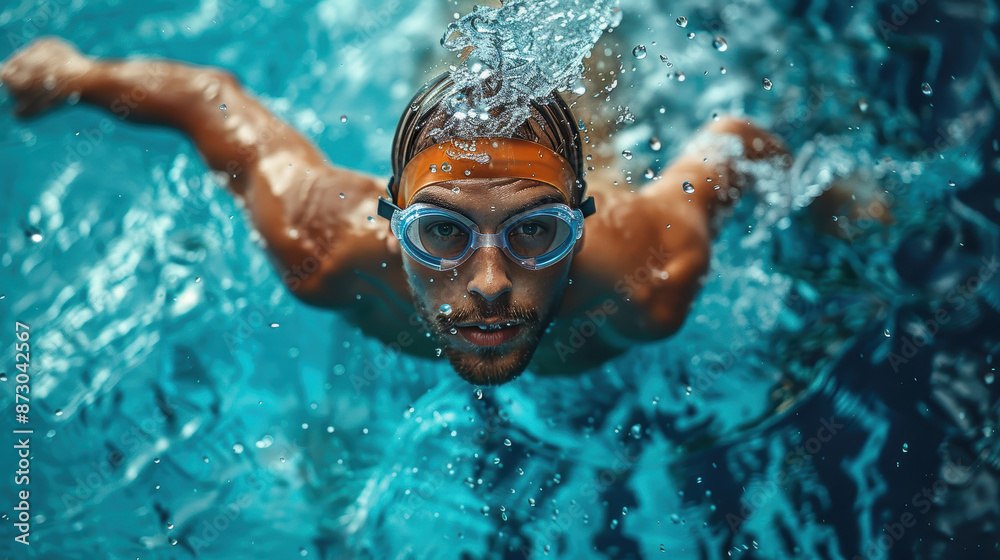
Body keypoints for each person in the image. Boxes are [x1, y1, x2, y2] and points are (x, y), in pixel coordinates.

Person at [1, 37, 787, 385]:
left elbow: (737, 142)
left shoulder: (648, 278)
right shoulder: (327, 246)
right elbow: (208, 101)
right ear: (388, 218)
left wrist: (841, 207)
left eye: (537, 233)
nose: (487, 281)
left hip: (593, 126)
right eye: (440, 230)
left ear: (584, 221)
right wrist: (74, 72)